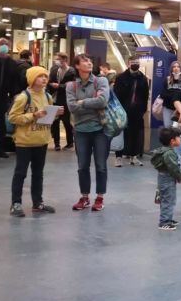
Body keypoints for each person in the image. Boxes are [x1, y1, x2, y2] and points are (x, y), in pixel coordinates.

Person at [8, 66, 62, 216]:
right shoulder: (23, 97)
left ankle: (37, 203)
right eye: (40, 76)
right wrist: (33, 115)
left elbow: (47, 119)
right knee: (20, 173)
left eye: (45, 76)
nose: (44, 79)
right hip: (24, 142)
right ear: (32, 79)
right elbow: (13, 117)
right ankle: (16, 203)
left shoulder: (48, 97)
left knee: (38, 173)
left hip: (42, 141)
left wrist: (55, 114)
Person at [67, 54, 111, 212]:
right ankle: (84, 197)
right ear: (77, 66)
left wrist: (82, 103)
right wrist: (90, 105)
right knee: (82, 166)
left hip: (100, 129)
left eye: (91, 61)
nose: (89, 63)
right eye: (85, 61)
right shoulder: (71, 86)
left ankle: (99, 198)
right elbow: (71, 107)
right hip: (80, 130)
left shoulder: (101, 81)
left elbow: (102, 101)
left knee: (101, 165)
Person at [113, 57, 150, 167]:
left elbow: (145, 95)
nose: (135, 64)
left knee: (135, 134)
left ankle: (134, 156)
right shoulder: (121, 77)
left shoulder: (143, 78)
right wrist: (117, 109)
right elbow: (116, 94)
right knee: (121, 133)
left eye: (137, 63)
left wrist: (143, 109)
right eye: (133, 62)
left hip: (137, 111)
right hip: (122, 110)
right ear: (128, 64)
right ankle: (118, 157)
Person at [150, 126, 181, 230]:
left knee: (166, 199)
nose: (180, 139)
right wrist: (179, 177)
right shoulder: (169, 153)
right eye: (179, 137)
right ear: (172, 141)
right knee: (168, 200)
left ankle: (167, 218)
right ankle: (164, 221)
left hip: (163, 178)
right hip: (168, 179)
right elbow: (173, 167)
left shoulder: (164, 150)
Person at [0, 38, 20, 157]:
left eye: (6, 44)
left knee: (1, 125)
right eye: (1, 44)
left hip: (2, 98)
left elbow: (15, 81)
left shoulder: (12, 63)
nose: (4, 46)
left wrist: (15, 95)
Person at [47, 52, 74, 151]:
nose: (57, 61)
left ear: (65, 60)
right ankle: (57, 143)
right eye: (56, 59)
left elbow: (73, 85)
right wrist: (51, 85)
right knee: (55, 121)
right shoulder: (54, 69)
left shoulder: (72, 71)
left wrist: (60, 86)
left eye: (59, 59)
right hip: (54, 98)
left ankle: (70, 142)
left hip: (66, 99)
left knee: (66, 121)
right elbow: (49, 81)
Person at [159, 61, 181, 131]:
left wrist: (171, 93)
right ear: (171, 69)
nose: (176, 68)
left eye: (178, 66)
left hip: (179, 109)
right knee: (168, 127)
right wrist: (176, 95)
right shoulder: (167, 79)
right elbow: (162, 94)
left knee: (178, 130)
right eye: (174, 67)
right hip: (168, 108)